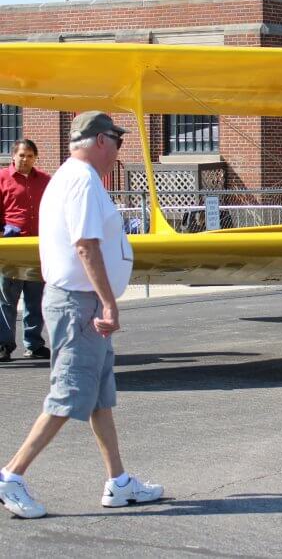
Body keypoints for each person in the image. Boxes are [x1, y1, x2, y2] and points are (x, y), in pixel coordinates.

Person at [0, 112, 163, 519]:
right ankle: (11, 475)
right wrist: (108, 302)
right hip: (80, 304)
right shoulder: (84, 180)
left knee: (98, 397)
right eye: (117, 141)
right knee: (69, 394)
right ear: (100, 140)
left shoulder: (66, 177)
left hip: (75, 301)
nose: (118, 150)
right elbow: (86, 245)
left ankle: (119, 482)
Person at [0, 140, 51, 362]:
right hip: (11, 248)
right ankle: (4, 344)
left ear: (35, 157)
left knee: (35, 297)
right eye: (22, 155)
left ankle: (34, 343)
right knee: (7, 298)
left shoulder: (46, 181)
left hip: (37, 248)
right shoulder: (2, 179)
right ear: (13, 156)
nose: (25, 159)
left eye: (30, 155)